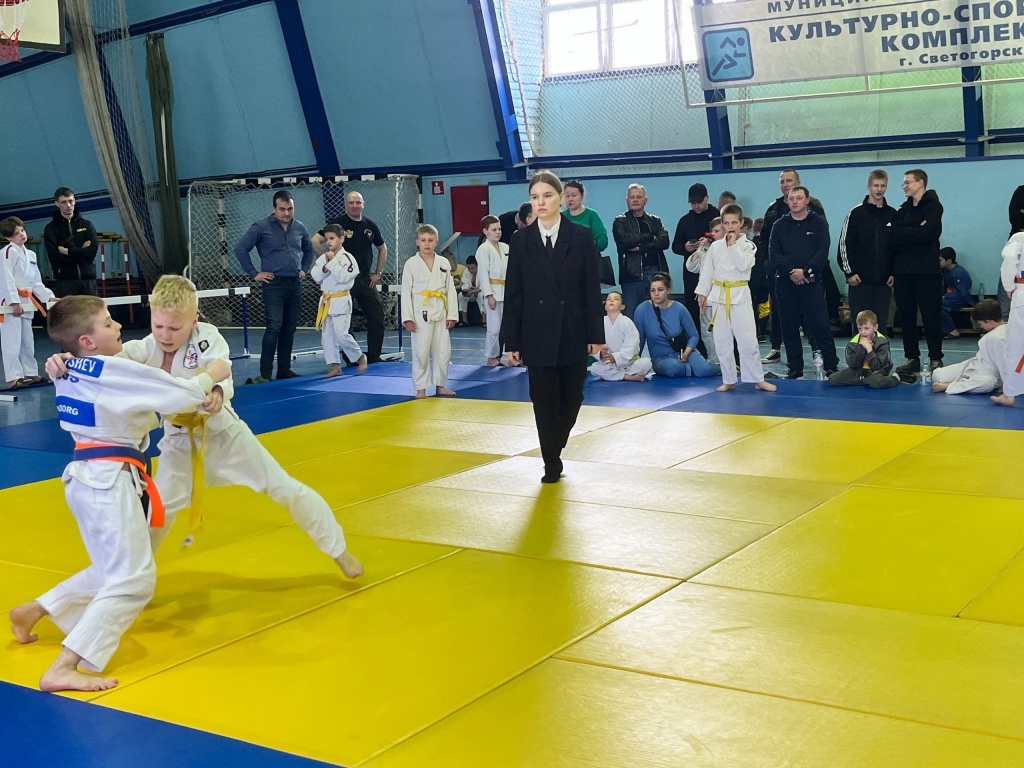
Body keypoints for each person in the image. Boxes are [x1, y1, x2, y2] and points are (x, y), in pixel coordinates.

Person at [45, 277, 365, 576]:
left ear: (194, 320)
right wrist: (63, 360)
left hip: (225, 435)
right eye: (158, 325)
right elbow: (101, 365)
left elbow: (221, 370)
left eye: (175, 328)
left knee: (285, 488)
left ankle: (337, 549)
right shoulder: (142, 349)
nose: (165, 335)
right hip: (178, 445)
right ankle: (127, 577)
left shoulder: (207, 337)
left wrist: (218, 392)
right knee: (157, 515)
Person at [10, 295, 231, 692]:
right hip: (109, 481)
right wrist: (211, 373)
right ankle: (64, 665)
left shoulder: (69, 366)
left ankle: (35, 610)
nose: (117, 327)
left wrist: (60, 356)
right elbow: (181, 395)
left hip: (86, 477)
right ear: (88, 340)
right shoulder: (110, 369)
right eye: (109, 322)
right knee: (135, 579)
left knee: (113, 569)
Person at [501, 171, 604, 484]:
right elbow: (514, 293)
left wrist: (595, 335)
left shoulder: (581, 237)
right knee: (543, 401)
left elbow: (591, 289)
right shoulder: (521, 241)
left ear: (560, 198)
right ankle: (550, 461)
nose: (541, 202)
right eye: (535, 197)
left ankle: (555, 442)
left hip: (573, 329)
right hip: (536, 330)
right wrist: (512, 340)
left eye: (547, 195)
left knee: (572, 398)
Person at [695, 204, 776, 393]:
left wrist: (732, 246)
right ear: (722, 224)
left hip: (740, 295)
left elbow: (744, 265)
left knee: (748, 340)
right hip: (719, 296)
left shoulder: (748, 246)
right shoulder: (715, 247)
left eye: (734, 223)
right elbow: (707, 272)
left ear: (741, 223)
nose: (730, 227)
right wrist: (702, 293)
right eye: (726, 223)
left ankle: (757, 379)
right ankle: (728, 379)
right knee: (722, 341)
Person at [234, 190, 312, 383]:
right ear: (274, 209)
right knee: (274, 327)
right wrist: (254, 273)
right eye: (282, 209)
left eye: (290, 209)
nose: (286, 213)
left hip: (295, 284)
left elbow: (309, 250)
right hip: (273, 284)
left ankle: (284, 370)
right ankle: (265, 374)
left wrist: (304, 268)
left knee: (289, 328)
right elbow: (240, 248)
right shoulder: (261, 227)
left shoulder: (300, 227)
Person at [768, 186, 839, 379]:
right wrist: (791, 271)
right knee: (789, 327)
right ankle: (794, 368)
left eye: (799, 198)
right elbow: (774, 254)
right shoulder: (779, 225)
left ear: (807, 200)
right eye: (791, 198)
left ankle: (831, 365)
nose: (794, 201)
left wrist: (806, 271)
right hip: (785, 283)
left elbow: (822, 251)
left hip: (811, 282)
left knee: (820, 325)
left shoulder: (819, 223)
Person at [759, 169, 827, 364]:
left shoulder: (814, 206)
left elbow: (821, 241)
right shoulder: (773, 209)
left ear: (798, 182)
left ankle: (817, 349)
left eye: (789, 181)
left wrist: (806, 270)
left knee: (811, 314)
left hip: (809, 273)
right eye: (782, 181)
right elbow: (765, 239)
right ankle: (776, 348)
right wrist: (770, 264)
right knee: (779, 313)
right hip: (780, 273)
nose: (785, 184)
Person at [315, 191, 388, 364]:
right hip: (342, 281)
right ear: (345, 205)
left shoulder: (370, 225)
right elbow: (315, 241)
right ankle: (352, 358)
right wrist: (327, 261)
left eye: (358, 202)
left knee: (377, 316)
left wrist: (378, 273)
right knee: (344, 323)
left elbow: (382, 248)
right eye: (351, 203)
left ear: (363, 204)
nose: (355, 206)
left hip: (364, 279)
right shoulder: (337, 224)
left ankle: (374, 355)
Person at [890, 168, 944, 378]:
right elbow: (893, 237)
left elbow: (930, 233)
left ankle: (935, 357)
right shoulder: (902, 211)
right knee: (906, 316)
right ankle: (911, 357)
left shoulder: (934, 207)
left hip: (927, 270)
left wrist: (905, 232)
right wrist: (916, 230)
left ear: (920, 183)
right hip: (903, 271)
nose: (904, 186)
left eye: (907, 182)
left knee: (931, 315)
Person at [401, 224, 458, 399]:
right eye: (423, 240)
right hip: (420, 313)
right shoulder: (411, 264)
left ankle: (441, 385)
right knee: (421, 351)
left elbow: (450, 290)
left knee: (443, 351)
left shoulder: (443, 262)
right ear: (417, 242)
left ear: (436, 241)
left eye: (430, 240)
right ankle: (421, 388)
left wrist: (452, 314)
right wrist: (407, 318)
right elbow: (406, 292)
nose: (427, 244)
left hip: (440, 311)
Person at [838, 169, 897, 334]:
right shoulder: (855, 213)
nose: (879, 189)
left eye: (883, 186)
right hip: (859, 281)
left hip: (884, 282)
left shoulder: (892, 214)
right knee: (860, 325)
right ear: (868, 186)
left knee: (881, 325)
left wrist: (893, 272)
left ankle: (880, 352)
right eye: (876, 185)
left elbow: (897, 247)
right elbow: (844, 245)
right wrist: (849, 273)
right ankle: (859, 352)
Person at [1, 217, 55, 387]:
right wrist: (13, 302)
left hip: (27, 301)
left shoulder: (31, 255)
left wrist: (48, 297)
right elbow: (6, 279)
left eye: (22, 231)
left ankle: (30, 373)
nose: (22, 235)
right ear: (9, 237)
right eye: (17, 234)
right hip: (10, 304)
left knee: (27, 341)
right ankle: (13, 377)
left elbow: (36, 282)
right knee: (12, 341)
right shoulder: (6, 252)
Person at [634, 272, 719, 379]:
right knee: (673, 368)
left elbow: (694, 335)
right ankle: (693, 369)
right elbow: (639, 341)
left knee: (705, 369)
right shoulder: (642, 310)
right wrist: (635, 365)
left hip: (684, 352)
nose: (656, 294)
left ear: (668, 290)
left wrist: (686, 353)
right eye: (652, 290)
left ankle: (724, 368)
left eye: (660, 290)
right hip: (661, 359)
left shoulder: (679, 308)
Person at [312, 224, 367, 378]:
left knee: (342, 335)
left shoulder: (347, 258)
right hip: (326, 300)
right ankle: (335, 366)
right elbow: (315, 276)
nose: (329, 242)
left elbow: (344, 277)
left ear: (341, 239)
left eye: (332, 238)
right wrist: (325, 267)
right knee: (327, 336)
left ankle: (360, 356)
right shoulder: (324, 257)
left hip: (341, 300)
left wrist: (331, 263)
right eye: (327, 239)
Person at [671, 182, 720, 349]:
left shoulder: (718, 217)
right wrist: (686, 247)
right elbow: (675, 246)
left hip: (715, 273)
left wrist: (711, 241)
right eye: (693, 203)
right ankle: (697, 349)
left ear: (707, 198)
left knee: (715, 312)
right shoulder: (685, 221)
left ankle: (719, 350)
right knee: (693, 311)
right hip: (692, 274)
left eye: (699, 202)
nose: (696, 206)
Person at [613, 183, 670, 321]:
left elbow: (664, 241)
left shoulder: (655, 220)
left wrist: (640, 248)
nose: (635, 200)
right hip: (632, 276)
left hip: (656, 273)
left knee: (657, 317)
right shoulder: (620, 221)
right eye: (632, 197)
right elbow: (624, 240)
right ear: (627, 200)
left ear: (646, 200)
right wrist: (650, 236)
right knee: (631, 318)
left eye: (639, 197)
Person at [933, 300, 1006, 394]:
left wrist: (1006, 386)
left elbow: (1003, 364)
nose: (981, 327)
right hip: (973, 365)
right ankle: (962, 382)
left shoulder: (997, 337)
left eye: (981, 324)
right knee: (937, 374)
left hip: (987, 374)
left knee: (987, 383)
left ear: (988, 321)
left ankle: (950, 385)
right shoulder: (1001, 330)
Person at [42, 187, 99, 297]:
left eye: (70, 201)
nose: (68, 205)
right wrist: (82, 254)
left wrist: (68, 251)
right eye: (64, 202)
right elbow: (55, 258)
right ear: (57, 204)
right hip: (65, 282)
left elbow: (92, 252)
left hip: (88, 281)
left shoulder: (87, 225)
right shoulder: (51, 229)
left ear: (74, 201)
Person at [684, 215, 725, 364]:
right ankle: (713, 362)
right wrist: (701, 248)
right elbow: (691, 267)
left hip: (724, 297)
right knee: (707, 333)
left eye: (716, 231)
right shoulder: (708, 249)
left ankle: (728, 363)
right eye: (712, 231)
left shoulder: (731, 249)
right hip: (706, 298)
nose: (713, 234)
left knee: (724, 333)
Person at [827, 310, 899, 389]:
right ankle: (865, 380)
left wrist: (869, 350)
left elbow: (877, 366)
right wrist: (862, 348)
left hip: (877, 370)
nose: (863, 332)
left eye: (867, 328)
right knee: (832, 379)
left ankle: (894, 379)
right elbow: (853, 366)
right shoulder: (853, 342)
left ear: (875, 327)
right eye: (860, 329)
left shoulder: (882, 342)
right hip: (859, 370)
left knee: (875, 381)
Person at [589, 291, 652, 382]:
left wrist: (616, 357)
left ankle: (611, 375)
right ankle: (629, 377)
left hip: (629, 362)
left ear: (622, 306)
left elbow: (631, 345)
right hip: (609, 363)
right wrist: (601, 353)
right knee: (594, 368)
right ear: (605, 306)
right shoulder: (600, 323)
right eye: (609, 299)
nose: (612, 301)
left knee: (646, 363)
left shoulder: (627, 322)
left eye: (616, 299)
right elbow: (595, 344)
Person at [993, 229, 1024, 406]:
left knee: (1015, 345)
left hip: (1023, 294)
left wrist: (1008, 285)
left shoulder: (1020, 238)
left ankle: (1010, 393)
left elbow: (1010, 258)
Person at [476, 215, 509, 366]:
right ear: (485, 231)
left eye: (499, 229)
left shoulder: (505, 247)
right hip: (493, 292)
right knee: (494, 328)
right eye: (494, 229)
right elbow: (483, 274)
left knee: (506, 327)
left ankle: (503, 356)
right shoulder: (483, 249)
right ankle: (491, 357)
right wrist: (489, 295)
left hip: (506, 291)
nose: (498, 232)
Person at [563, 180, 608, 253]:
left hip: (589, 257)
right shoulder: (561, 217)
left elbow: (603, 241)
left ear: (582, 196)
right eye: (567, 196)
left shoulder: (591, 215)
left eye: (574, 195)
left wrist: (587, 246)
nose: (570, 199)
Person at [939, 247, 974, 338]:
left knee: (940, 305)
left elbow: (962, 292)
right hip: (951, 297)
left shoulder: (959, 272)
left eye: (940, 260)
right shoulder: (946, 271)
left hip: (961, 298)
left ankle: (952, 330)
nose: (938, 262)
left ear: (949, 261)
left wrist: (946, 297)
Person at [460, 254, 485, 326]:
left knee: (481, 295)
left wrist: (474, 291)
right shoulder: (466, 271)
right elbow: (464, 283)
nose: (470, 270)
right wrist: (466, 290)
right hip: (471, 293)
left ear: (477, 265)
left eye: (473, 268)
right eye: (469, 268)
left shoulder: (483, 271)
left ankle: (484, 320)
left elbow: (484, 287)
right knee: (460, 296)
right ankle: (464, 320)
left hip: (480, 292)